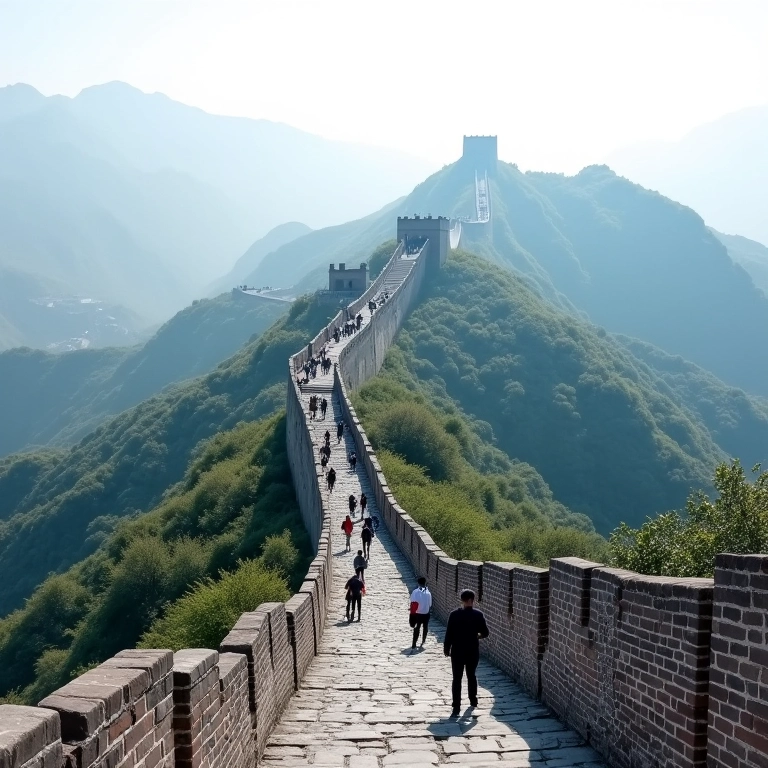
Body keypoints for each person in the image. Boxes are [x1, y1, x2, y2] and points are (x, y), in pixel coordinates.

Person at [444, 589, 489, 716]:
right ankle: (473, 700)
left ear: (462, 600)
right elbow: (485, 633)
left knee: (456, 678)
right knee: (471, 676)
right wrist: (476, 636)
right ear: (472, 600)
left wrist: (446, 648)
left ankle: (456, 705)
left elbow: (449, 633)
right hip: (472, 650)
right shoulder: (478, 615)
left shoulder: (454, 615)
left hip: (457, 650)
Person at [409, 577, 432, 649]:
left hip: (418, 613)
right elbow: (430, 604)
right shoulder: (428, 593)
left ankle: (414, 643)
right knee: (425, 627)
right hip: (426, 613)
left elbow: (412, 601)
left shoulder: (415, 592)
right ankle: (423, 640)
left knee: (417, 627)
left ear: (418, 583)